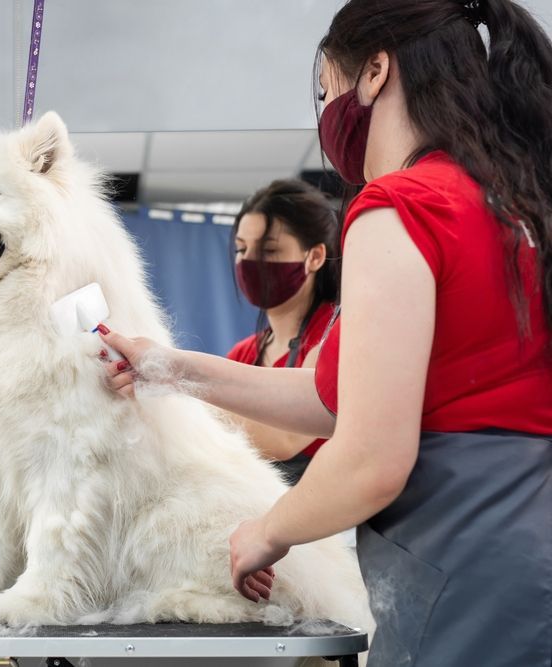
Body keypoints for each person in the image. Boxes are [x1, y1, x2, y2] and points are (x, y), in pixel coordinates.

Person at [99, 1, 552, 664]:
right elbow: (333, 397)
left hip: (470, 556)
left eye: (325, 89)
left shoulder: (401, 207)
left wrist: (266, 532)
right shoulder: (511, 204)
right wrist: (165, 368)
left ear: (374, 72)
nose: (324, 111)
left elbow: (370, 459)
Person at [226, 179, 340, 484]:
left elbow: (286, 438)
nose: (249, 261)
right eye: (241, 249)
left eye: (270, 250)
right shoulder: (244, 354)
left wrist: (187, 398)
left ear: (314, 257)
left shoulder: (336, 335)